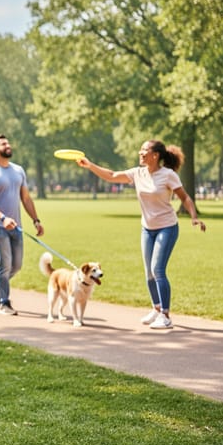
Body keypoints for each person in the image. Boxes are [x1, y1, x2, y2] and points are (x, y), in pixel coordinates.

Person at [77, 140, 206, 329]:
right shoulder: (137, 173)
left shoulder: (168, 175)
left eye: (144, 150)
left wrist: (194, 217)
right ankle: (156, 308)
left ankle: (166, 315)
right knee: (149, 273)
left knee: (158, 270)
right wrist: (90, 165)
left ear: (155, 155)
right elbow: (112, 176)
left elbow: (185, 197)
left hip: (167, 227)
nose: (140, 153)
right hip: (147, 228)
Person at [0, 134, 44, 315]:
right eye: (3, 144)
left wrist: (36, 220)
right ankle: (4, 303)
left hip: (16, 227)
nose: (8, 145)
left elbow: (26, 198)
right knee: (5, 264)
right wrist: (3, 218)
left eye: (8, 143)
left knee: (17, 266)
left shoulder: (18, 171)